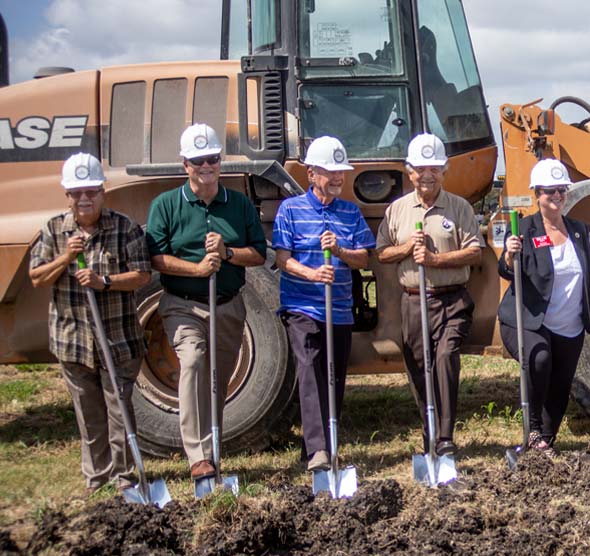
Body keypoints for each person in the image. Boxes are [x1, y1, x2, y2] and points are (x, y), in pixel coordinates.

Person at [145, 123, 268, 483]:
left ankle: (213, 449)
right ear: (186, 164)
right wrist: (198, 269)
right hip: (182, 304)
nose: (206, 166)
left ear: (220, 162)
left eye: (212, 159)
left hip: (228, 305)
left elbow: (259, 255)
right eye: (198, 161)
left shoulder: (240, 205)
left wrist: (228, 253)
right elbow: (156, 258)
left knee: (219, 379)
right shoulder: (166, 205)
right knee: (194, 362)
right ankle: (197, 455)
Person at [29, 153, 152, 496]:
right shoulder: (53, 229)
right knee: (89, 417)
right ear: (67, 196)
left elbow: (142, 275)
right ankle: (97, 481)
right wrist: (67, 257)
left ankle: (126, 479)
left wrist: (105, 281)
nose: (84, 199)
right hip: (74, 341)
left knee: (120, 413)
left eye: (91, 192)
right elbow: (37, 277)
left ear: (103, 191)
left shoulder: (125, 227)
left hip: (118, 339)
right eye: (77, 193)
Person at [272, 136, 375, 471]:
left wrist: (342, 251)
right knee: (309, 370)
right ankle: (319, 450)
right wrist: (313, 275)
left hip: (340, 308)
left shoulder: (350, 212)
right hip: (302, 305)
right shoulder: (290, 210)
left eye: (340, 173)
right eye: (330, 172)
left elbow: (365, 260)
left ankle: (321, 444)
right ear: (311, 173)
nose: (337, 179)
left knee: (334, 376)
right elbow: (284, 258)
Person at [376, 133, 481, 456]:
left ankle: (446, 437)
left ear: (444, 171)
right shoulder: (397, 210)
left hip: (452, 299)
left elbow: (475, 252)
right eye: (421, 168)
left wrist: (435, 260)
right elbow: (381, 253)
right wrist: (408, 248)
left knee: (446, 359)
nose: (427, 174)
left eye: (434, 167)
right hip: (413, 300)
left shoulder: (459, 208)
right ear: (410, 172)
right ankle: (429, 432)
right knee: (419, 366)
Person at [498, 159, 590, 452]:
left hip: (570, 323)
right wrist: (508, 256)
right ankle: (533, 430)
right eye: (549, 191)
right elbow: (505, 270)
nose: (556, 196)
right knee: (539, 360)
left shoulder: (578, 230)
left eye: (561, 191)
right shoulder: (524, 230)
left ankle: (545, 442)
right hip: (530, 319)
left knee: (562, 383)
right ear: (537, 194)